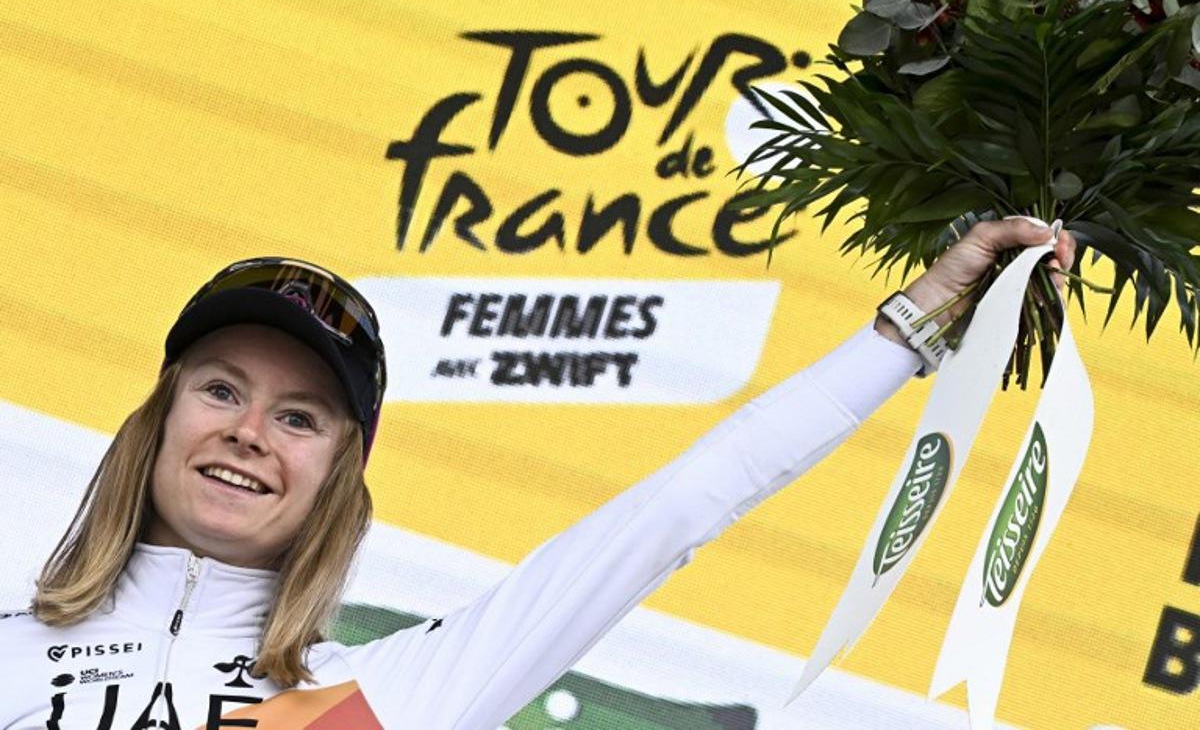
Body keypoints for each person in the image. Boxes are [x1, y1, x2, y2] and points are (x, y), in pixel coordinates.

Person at [0, 219, 1075, 729]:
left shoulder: (382, 691)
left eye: (301, 415)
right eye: (222, 390)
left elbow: (681, 504)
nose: (248, 433)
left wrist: (915, 322)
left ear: (340, 472)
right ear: (163, 411)